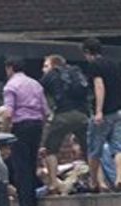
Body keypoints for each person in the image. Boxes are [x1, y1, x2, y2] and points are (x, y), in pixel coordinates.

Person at [1, 57, 49, 206]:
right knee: (31, 165)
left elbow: (8, 114)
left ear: (10, 68)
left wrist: (4, 134)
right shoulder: (36, 84)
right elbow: (45, 111)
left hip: (20, 127)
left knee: (21, 169)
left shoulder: (10, 86)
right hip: (36, 126)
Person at [40, 54, 90, 194]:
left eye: (46, 66)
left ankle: (53, 184)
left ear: (54, 65)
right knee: (90, 150)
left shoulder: (51, 75)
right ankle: (98, 181)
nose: (43, 69)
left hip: (63, 115)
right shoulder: (76, 73)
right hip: (83, 115)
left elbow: (38, 92)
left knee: (50, 149)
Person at [82, 38, 121, 191]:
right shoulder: (113, 64)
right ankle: (119, 177)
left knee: (94, 149)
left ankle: (95, 182)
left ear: (87, 52)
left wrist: (99, 110)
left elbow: (99, 86)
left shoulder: (94, 66)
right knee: (118, 148)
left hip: (104, 114)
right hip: (117, 112)